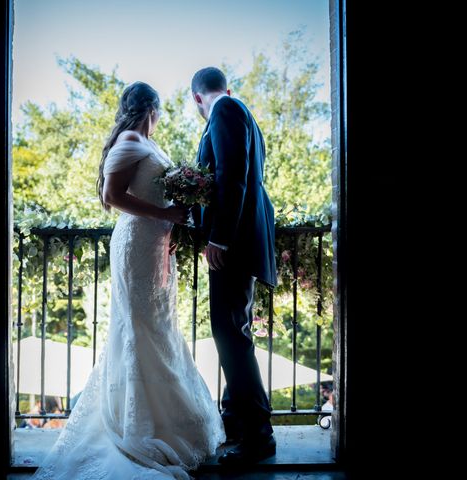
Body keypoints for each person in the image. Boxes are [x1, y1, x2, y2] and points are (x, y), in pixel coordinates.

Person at [32, 82, 225, 480]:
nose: (158, 120)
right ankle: (139, 426)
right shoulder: (130, 141)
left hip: (155, 245)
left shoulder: (143, 142)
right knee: (140, 330)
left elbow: (154, 195)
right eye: (158, 113)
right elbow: (111, 196)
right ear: (150, 109)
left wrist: (173, 219)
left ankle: (165, 420)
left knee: (160, 328)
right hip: (136, 246)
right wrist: (164, 216)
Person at [191, 67, 278, 466]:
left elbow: (233, 177)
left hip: (233, 246)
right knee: (231, 332)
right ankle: (237, 422)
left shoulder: (224, 110)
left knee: (231, 336)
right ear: (224, 87)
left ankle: (259, 435)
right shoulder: (236, 108)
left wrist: (218, 238)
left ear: (197, 99)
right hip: (240, 243)